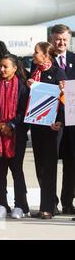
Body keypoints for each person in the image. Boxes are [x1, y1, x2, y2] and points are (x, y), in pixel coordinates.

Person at [27, 42, 66, 219]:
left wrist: (60, 121)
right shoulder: (35, 71)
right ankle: (46, 204)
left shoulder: (58, 73)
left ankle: (48, 207)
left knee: (49, 167)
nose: (34, 55)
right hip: (37, 126)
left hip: (52, 127)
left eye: (36, 52)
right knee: (39, 166)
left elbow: (65, 99)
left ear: (46, 55)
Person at [0, 54, 30, 218]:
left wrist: (11, 125)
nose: (2, 69)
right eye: (1, 66)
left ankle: (20, 205)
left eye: (5, 66)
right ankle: (0, 204)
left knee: (17, 171)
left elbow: (24, 111)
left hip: (16, 135)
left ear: (14, 68)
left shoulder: (22, 87)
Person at [50, 24, 75, 215]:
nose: (61, 42)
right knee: (48, 162)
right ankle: (51, 202)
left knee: (71, 162)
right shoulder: (44, 60)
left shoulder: (74, 59)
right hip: (52, 118)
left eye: (65, 39)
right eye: (58, 39)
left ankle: (67, 201)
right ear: (52, 39)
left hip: (72, 118)